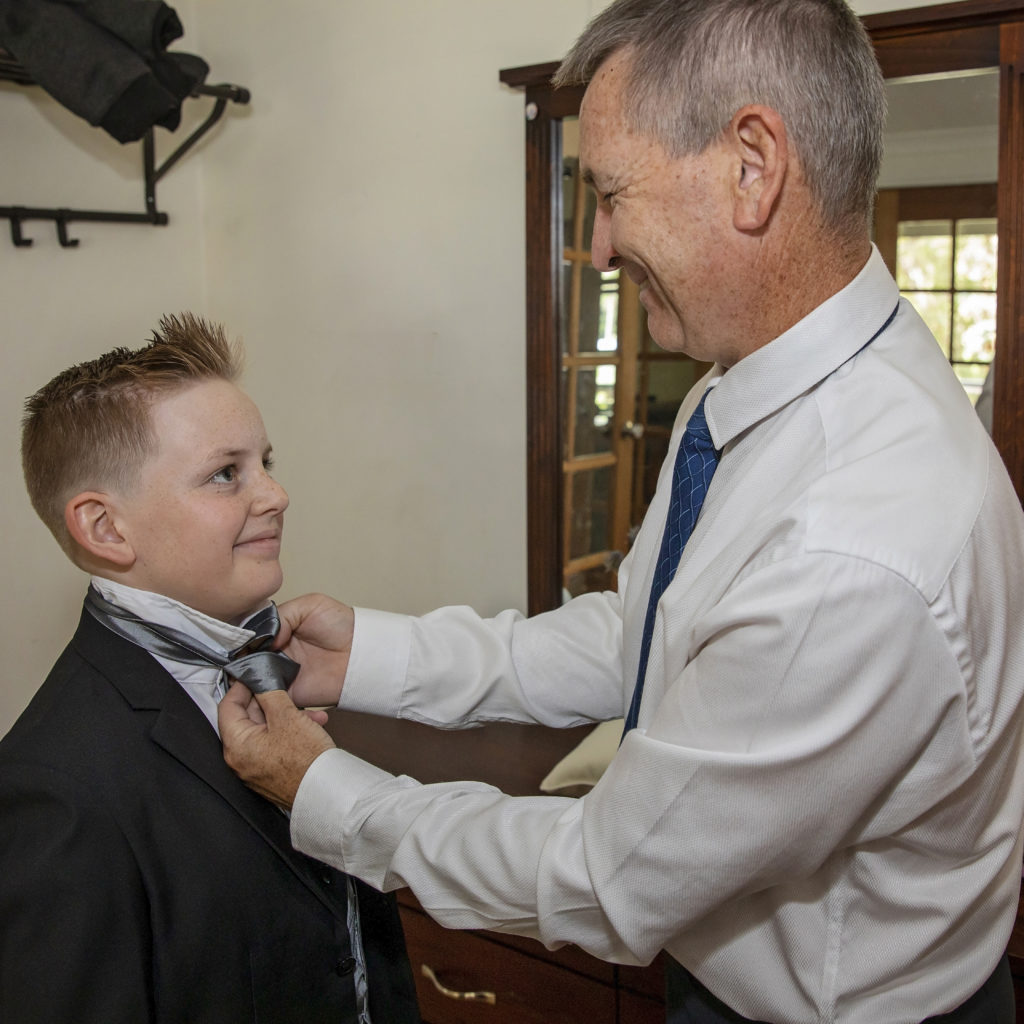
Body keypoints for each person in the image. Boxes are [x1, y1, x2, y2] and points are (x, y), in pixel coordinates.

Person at [219, 2, 1024, 1022]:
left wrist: (328, 792)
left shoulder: (852, 542)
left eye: (610, 192)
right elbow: (650, 631)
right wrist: (374, 658)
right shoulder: (748, 387)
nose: (597, 248)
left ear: (750, 164)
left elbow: (607, 879)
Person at [0, 314, 420, 1024]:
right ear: (106, 528)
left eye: (266, 462)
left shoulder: (282, 673)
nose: (275, 495)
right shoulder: (56, 794)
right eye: (226, 474)